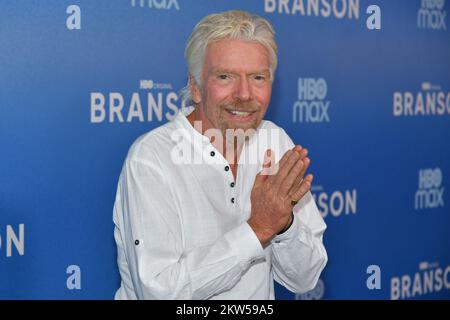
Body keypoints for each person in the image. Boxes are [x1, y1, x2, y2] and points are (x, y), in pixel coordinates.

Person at [113, 10, 327, 300]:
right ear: (196, 88)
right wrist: (258, 229)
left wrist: (285, 223)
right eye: (225, 76)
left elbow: (304, 279)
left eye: (257, 78)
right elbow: (159, 292)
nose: (244, 94)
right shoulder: (152, 158)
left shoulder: (274, 141)